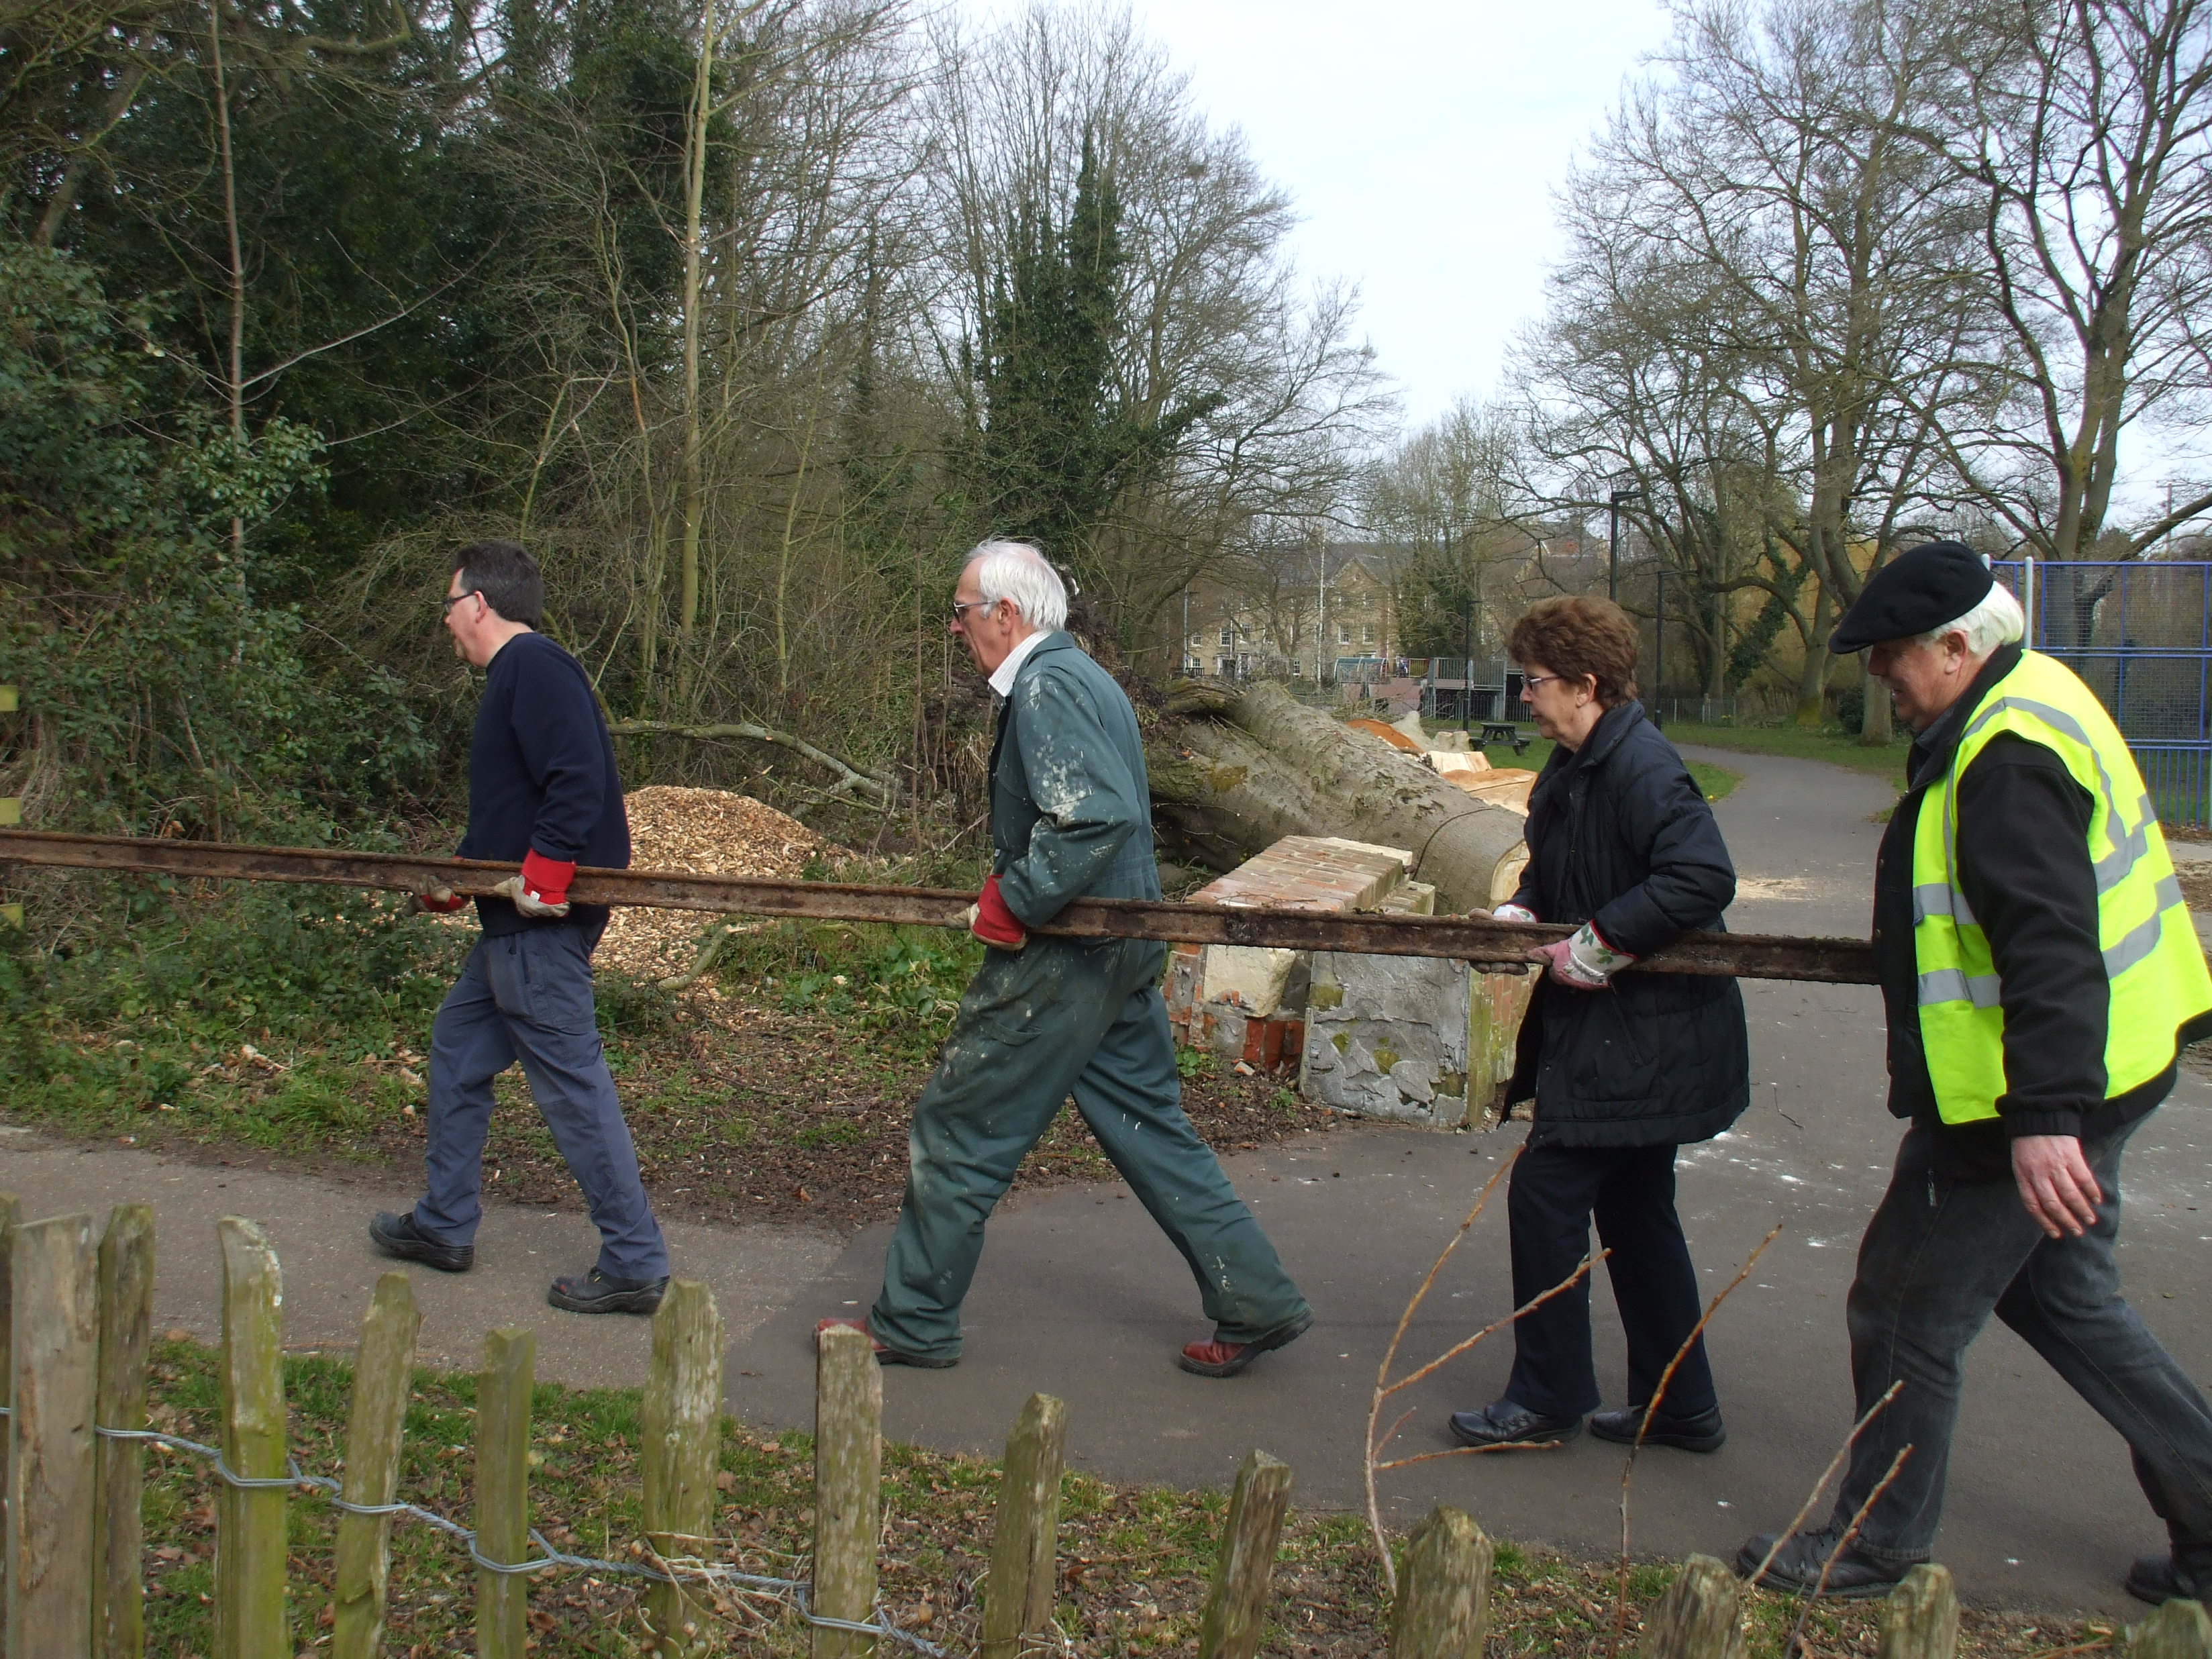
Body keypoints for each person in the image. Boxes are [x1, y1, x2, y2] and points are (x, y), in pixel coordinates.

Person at [1737, 540, 2212, 1601]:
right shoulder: (2037, 692)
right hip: (2120, 1061)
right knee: (2064, 1301)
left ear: (1958, 644)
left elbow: (2049, 947)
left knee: (1904, 1307)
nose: (1880, 678)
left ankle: (1875, 1540)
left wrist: (2044, 1117)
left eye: (1893, 657)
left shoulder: (2005, 758)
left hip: (2025, 1101)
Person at [821, 540, 1311, 1374]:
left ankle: (911, 1322)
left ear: (1006, 615)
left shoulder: (1045, 684)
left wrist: (1012, 897)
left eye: (964, 610)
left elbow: (1092, 818)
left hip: (1065, 954)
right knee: (1150, 1128)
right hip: (1119, 946)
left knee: (959, 1129)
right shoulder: (1085, 677)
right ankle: (1255, 1300)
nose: (955, 626)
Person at [1446, 595, 1748, 1453]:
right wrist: (1524, 912)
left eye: (1534, 682)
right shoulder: (1574, 768)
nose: (1523, 699)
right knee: (1635, 1211)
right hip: (1623, 1033)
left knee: (1547, 1193)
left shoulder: (1642, 769)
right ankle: (1679, 1404)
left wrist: (1604, 940)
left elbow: (1700, 877)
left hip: (1644, 1035)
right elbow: (1557, 870)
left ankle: (1546, 1396)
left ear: (1585, 684)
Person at [368, 540, 672, 1315]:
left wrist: (546, 871)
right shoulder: (518, 677)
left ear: (477, 603)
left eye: (448, 608)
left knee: (572, 1088)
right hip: (510, 926)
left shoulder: (534, 667)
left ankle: (635, 1259)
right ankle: (443, 1223)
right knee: (458, 1047)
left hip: (538, 931)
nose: (445, 626)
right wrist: (465, 873)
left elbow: (575, 777)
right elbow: (519, 807)